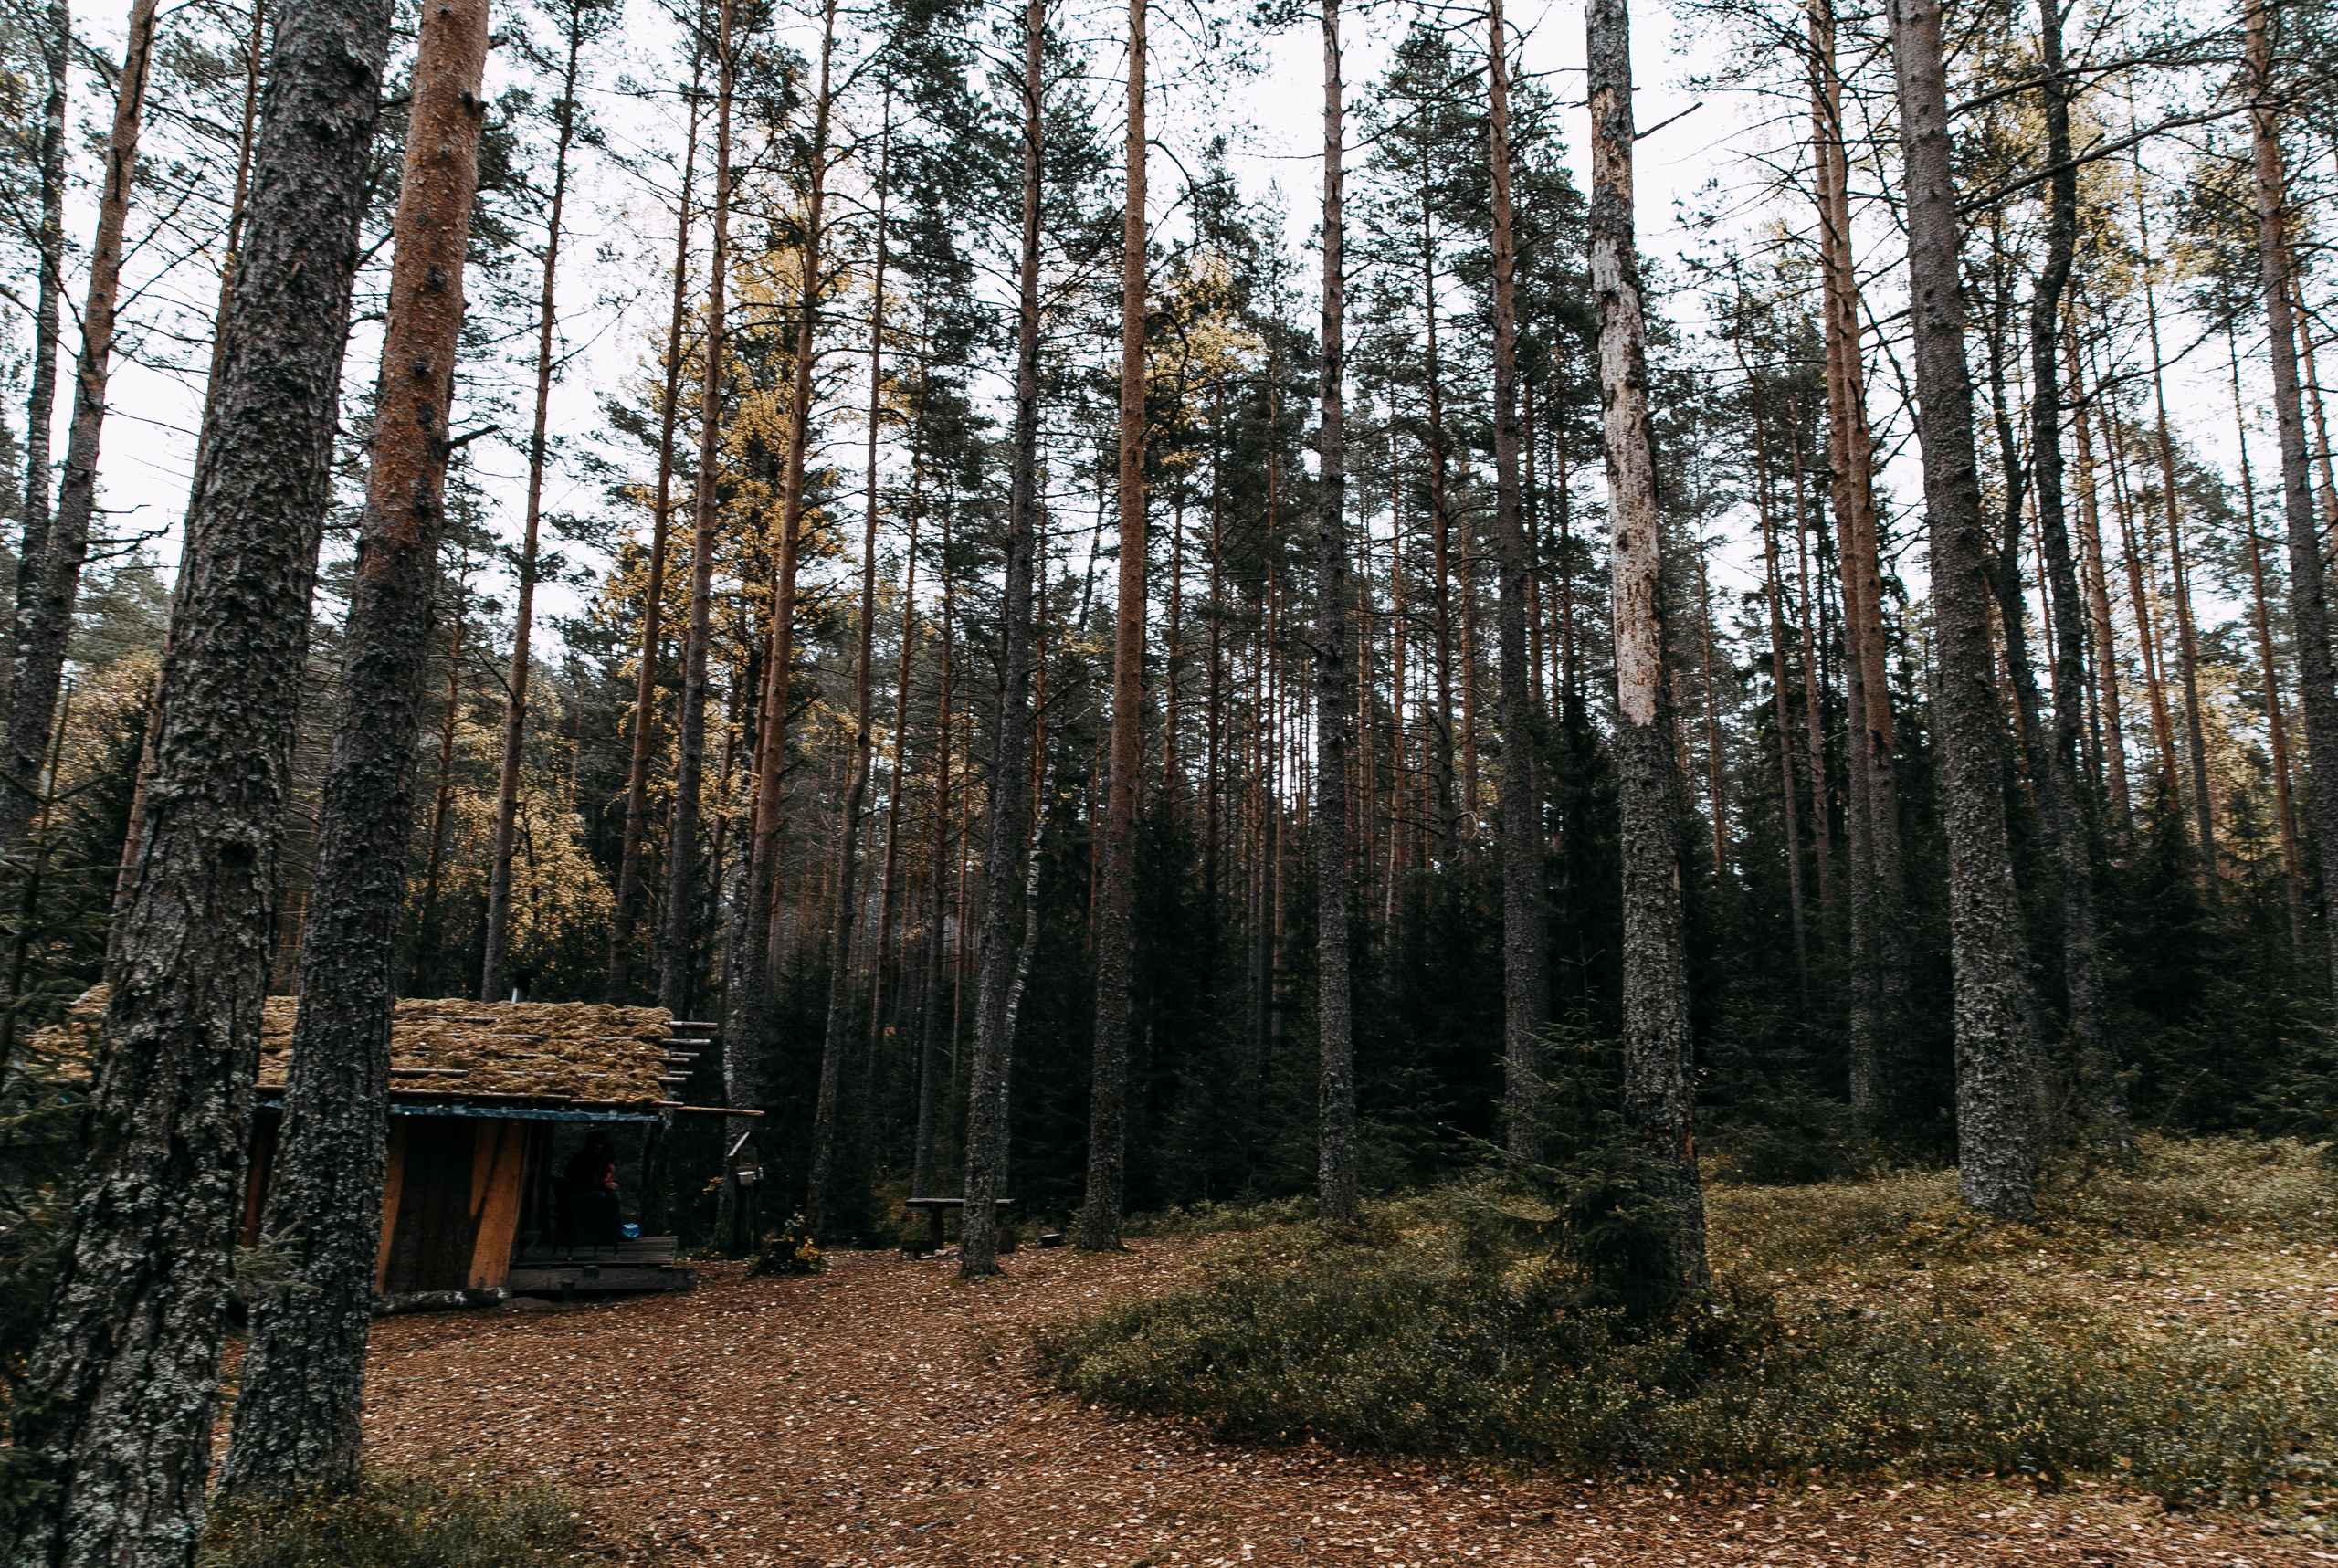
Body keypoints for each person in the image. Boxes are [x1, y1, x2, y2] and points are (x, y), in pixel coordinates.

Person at [563, 1131, 622, 1250]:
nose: (598, 1151)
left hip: (589, 1191)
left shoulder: (597, 1158)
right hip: (577, 1194)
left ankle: (617, 1230)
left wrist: (605, 1185)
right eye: (595, 1148)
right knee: (600, 1196)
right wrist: (604, 1186)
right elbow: (583, 1184)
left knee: (613, 1196)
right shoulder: (582, 1159)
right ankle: (599, 1230)